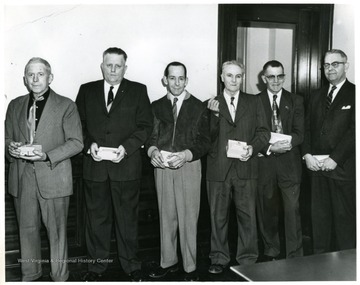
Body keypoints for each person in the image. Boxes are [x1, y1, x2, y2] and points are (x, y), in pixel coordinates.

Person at [75, 47, 153, 281]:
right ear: (102, 66)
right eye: (108, 65)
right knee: (96, 219)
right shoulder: (86, 90)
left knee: (127, 220)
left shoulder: (138, 91)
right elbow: (78, 125)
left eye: (118, 65)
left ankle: (131, 266)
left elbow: (145, 127)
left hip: (126, 167)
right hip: (95, 167)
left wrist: (126, 148)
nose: (113, 70)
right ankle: (96, 268)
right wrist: (90, 146)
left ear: (125, 68)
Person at [5, 57, 83, 281]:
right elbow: (6, 138)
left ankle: (60, 277)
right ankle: (30, 275)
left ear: (50, 77)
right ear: (25, 79)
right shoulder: (14, 105)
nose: (35, 78)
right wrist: (10, 146)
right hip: (22, 177)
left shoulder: (66, 105)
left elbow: (76, 142)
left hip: (54, 175)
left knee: (57, 234)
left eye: (40, 74)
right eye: (31, 74)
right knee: (26, 232)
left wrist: (48, 155)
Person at [147, 62, 211, 281]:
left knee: (188, 217)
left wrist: (186, 155)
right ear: (165, 79)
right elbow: (150, 136)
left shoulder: (198, 107)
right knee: (166, 216)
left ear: (186, 80)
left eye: (181, 78)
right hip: (162, 167)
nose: (176, 83)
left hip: (189, 166)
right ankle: (168, 262)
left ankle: (190, 267)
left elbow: (205, 141)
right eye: (172, 78)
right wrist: (152, 151)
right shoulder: (156, 106)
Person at [206, 60, 270, 274]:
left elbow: (263, 132)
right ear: (221, 77)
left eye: (238, 76)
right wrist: (213, 116)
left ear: (243, 78)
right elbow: (205, 139)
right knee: (218, 217)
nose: (234, 80)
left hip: (246, 166)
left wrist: (252, 148)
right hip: (218, 168)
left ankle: (248, 260)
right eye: (229, 75)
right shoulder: (210, 104)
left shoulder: (254, 102)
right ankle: (218, 258)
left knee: (248, 216)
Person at [302, 49, 355, 254]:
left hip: (342, 170)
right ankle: (320, 271)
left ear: (346, 66)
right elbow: (306, 128)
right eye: (326, 65)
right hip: (317, 170)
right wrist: (306, 155)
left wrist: (336, 158)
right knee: (320, 223)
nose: (330, 69)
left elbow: (355, 131)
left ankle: (347, 273)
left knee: (345, 225)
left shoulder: (355, 93)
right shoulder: (316, 96)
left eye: (335, 64)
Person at [256, 60, 304, 261]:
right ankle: (271, 251)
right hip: (265, 164)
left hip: (289, 164)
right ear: (263, 78)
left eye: (280, 76)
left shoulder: (296, 101)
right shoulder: (254, 101)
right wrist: (268, 148)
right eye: (271, 76)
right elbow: (252, 133)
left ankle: (294, 255)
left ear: (284, 77)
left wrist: (286, 144)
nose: (276, 81)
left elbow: (300, 133)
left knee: (292, 211)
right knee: (267, 210)